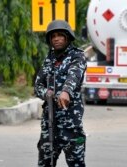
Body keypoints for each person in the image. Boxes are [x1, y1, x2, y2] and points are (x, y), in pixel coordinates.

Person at [34, 20, 87, 167]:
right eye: (53, 36)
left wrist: (66, 91)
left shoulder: (77, 56)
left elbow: (74, 75)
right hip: (50, 124)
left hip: (71, 124)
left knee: (77, 163)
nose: (56, 39)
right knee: (45, 163)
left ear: (67, 37)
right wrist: (48, 94)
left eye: (60, 35)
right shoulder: (48, 60)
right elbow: (38, 86)